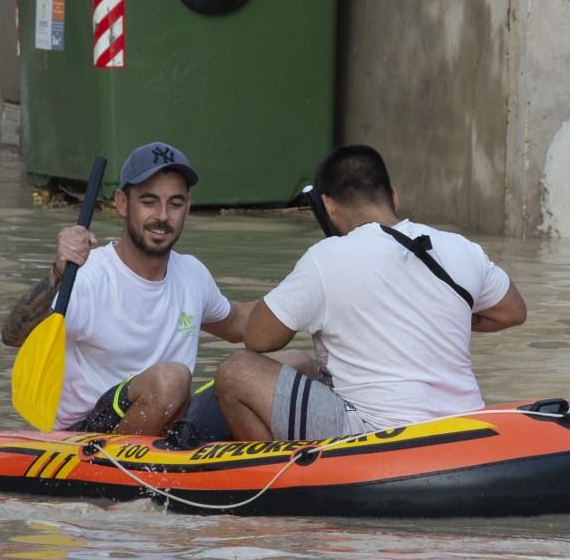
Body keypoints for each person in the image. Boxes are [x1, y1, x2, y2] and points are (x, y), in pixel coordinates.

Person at [213, 144, 528, 441]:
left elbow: (257, 339)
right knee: (301, 363)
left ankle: (275, 481)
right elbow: (513, 312)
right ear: (393, 196)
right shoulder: (460, 247)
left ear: (328, 206)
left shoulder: (325, 258)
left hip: (374, 436)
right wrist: (448, 314)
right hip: (463, 424)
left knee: (236, 372)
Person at [1, 142, 254, 435]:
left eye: (175, 203)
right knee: (171, 379)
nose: (162, 216)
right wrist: (58, 271)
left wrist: (305, 295)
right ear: (122, 203)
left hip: (170, 415)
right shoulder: (89, 277)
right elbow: (13, 336)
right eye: (148, 202)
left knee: (286, 366)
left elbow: (240, 324)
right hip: (88, 434)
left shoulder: (193, 274)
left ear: (188, 205)